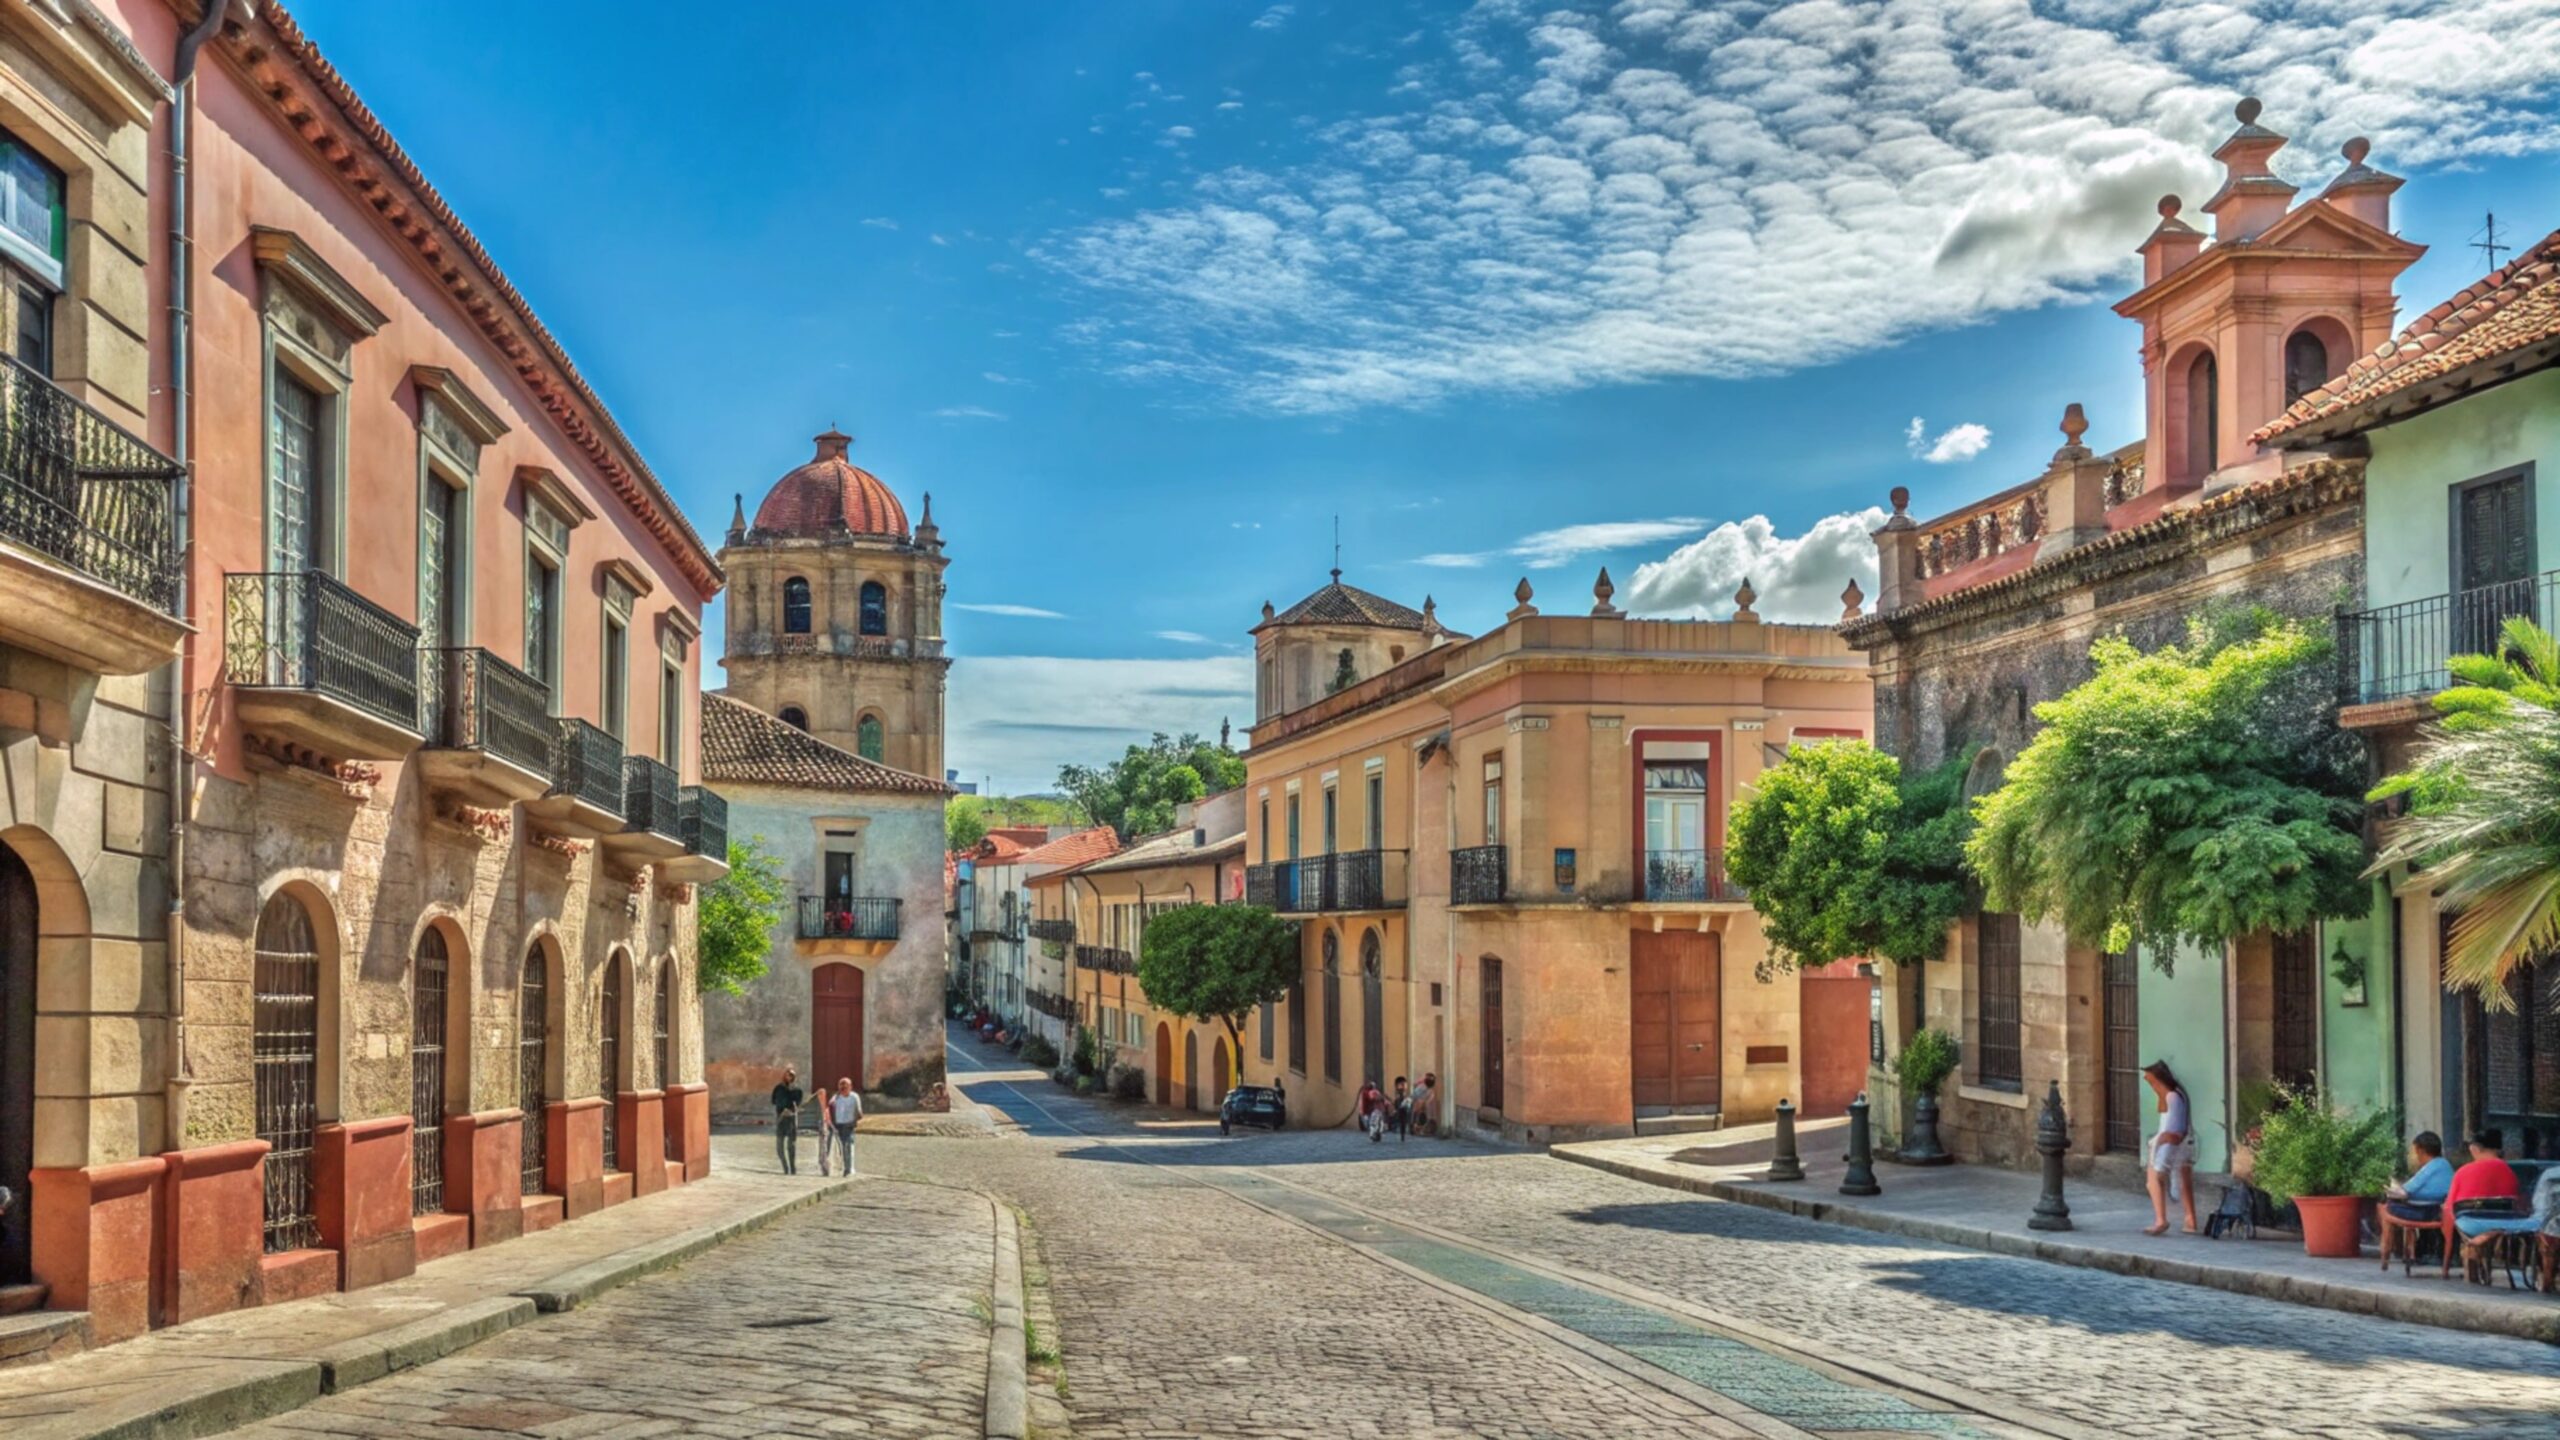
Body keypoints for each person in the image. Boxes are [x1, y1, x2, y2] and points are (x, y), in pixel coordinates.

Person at [2375, 1132, 2455, 1271]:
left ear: (2420, 1151)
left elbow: (2405, 1191)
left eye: (2413, 1151)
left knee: (2385, 1205)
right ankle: (2410, 1251)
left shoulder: (2430, 1167)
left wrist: (2392, 1190)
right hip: (2437, 1209)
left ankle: (2387, 1252)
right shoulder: (2444, 1164)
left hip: (2426, 1211)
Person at [2140, 1060, 2198, 1236]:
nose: (2150, 1085)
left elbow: (2174, 1128)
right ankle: (2190, 1220)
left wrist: (2159, 1142)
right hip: (2176, 1142)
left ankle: (2161, 1219)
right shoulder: (2175, 1095)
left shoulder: (2172, 1097)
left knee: (2154, 1180)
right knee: (2182, 1181)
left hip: (2169, 1143)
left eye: (2151, 1081)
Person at [771, 1067, 807, 1175]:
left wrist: (791, 1109)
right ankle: (785, 1167)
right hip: (780, 1118)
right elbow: (773, 1101)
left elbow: (798, 1102)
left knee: (791, 1145)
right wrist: (781, 1108)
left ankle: (792, 1167)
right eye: (787, 1074)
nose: (789, 1077)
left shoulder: (797, 1090)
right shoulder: (778, 1088)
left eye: (791, 1075)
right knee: (779, 1146)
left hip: (791, 1119)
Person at [825, 1077, 864, 1177]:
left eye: (845, 1086)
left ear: (850, 1087)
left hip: (848, 1125)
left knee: (848, 1147)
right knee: (835, 1149)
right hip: (837, 1126)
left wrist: (854, 1120)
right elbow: (829, 1111)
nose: (843, 1088)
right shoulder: (835, 1098)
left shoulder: (854, 1097)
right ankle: (832, 1168)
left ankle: (849, 1169)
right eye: (841, 1086)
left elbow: (859, 1113)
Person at [1390, 1076, 1412, 1142]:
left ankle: (1403, 1135)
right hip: (1401, 1109)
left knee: (1403, 1123)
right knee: (1402, 1122)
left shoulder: (1405, 1095)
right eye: (1401, 1084)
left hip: (1404, 1109)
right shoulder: (1398, 1096)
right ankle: (1402, 1135)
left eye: (1404, 1084)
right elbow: (1396, 1103)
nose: (1403, 1086)